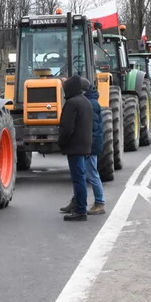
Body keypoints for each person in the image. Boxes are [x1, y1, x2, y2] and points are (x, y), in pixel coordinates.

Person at [57, 74, 93, 221]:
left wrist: (61, 142)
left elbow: (66, 128)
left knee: (78, 180)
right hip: (84, 146)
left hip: (75, 147)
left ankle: (80, 210)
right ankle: (79, 206)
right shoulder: (86, 102)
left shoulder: (72, 104)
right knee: (81, 178)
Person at [83, 76, 107, 215]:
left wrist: (87, 146)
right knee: (88, 173)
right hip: (93, 143)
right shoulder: (92, 102)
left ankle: (100, 203)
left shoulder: (90, 104)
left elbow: (90, 128)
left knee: (92, 174)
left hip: (91, 144)